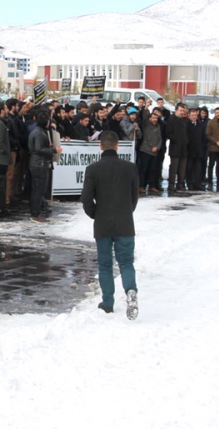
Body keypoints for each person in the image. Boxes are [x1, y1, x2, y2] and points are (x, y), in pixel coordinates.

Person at [81, 131, 139, 320]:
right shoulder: (130, 168)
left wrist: (96, 214)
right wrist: (126, 211)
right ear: (117, 146)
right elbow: (134, 198)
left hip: (103, 223)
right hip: (125, 223)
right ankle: (130, 290)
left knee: (105, 265)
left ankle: (108, 303)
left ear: (100, 146)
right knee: (126, 262)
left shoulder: (93, 169)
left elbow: (86, 199)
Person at [29, 111, 60, 222]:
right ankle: (35, 213)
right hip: (40, 164)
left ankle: (35, 212)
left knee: (37, 189)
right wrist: (54, 150)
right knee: (39, 190)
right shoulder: (39, 133)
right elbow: (38, 149)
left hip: (37, 163)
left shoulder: (37, 131)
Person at [166, 103, 189, 192]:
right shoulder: (171, 120)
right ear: (176, 110)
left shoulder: (185, 120)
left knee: (182, 168)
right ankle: (171, 184)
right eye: (180, 111)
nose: (182, 112)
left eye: (183, 111)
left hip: (184, 148)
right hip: (175, 148)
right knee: (174, 167)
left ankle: (180, 184)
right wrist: (176, 139)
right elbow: (168, 133)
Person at [139, 111, 163, 193]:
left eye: (156, 118)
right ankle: (141, 185)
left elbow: (160, 138)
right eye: (153, 118)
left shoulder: (158, 126)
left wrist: (157, 147)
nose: (155, 120)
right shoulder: (146, 125)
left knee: (153, 169)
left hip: (154, 151)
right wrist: (146, 108)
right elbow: (144, 118)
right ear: (150, 118)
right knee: (144, 169)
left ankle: (151, 186)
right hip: (146, 150)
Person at [186, 109, 205, 191]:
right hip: (189, 150)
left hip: (198, 150)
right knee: (189, 168)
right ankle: (190, 183)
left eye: (195, 115)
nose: (194, 117)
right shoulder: (186, 124)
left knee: (198, 168)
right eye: (192, 115)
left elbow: (203, 137)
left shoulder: (200, 125)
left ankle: (197, 183)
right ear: (189, 116)